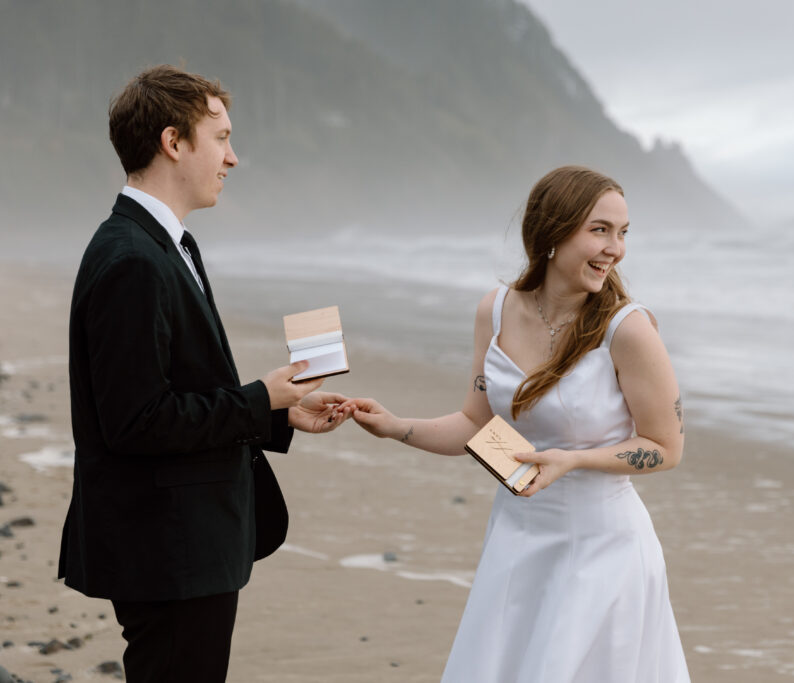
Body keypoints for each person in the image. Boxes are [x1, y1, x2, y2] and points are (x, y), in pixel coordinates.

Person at [341, 165, 690, 682]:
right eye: (599, 230)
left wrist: (574, 460)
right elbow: (476, 427)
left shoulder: (628, 329)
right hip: (515, 540)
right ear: (552, 231)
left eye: (623, 233)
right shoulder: (496, 311)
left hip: (603, 552)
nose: (615, 248)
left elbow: (666, 447)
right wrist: (396, 427)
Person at [58, 65, 346, 683]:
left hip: (178, 545)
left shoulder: (164, 245)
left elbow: (175, 392)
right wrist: (256, 399)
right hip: (166, 550)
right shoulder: (133, 259)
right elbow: (136, 421)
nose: (233, 158)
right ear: (173, 142)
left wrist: (275, 409)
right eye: (220, 138)